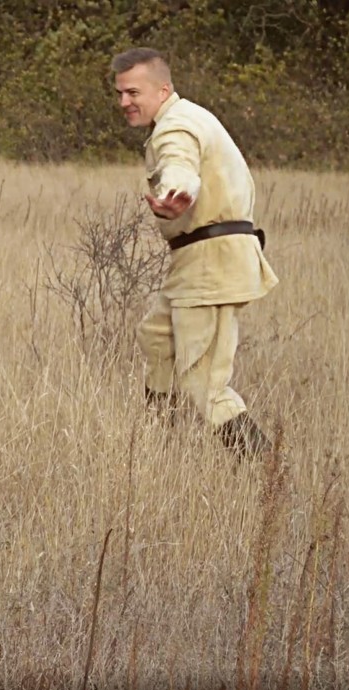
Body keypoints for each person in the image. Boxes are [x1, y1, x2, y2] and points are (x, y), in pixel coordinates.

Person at [111, 47, 280, 461]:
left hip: (211, 261)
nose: (124, 103)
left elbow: (179, 167)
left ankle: (270, 476)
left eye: (133, 92)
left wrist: (176, 194)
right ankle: (158, 451)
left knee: (205, 383)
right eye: (119, 93)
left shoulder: (176, 128)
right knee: (156, 338)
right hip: (200, 260)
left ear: (162, 88)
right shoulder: (193, 116)